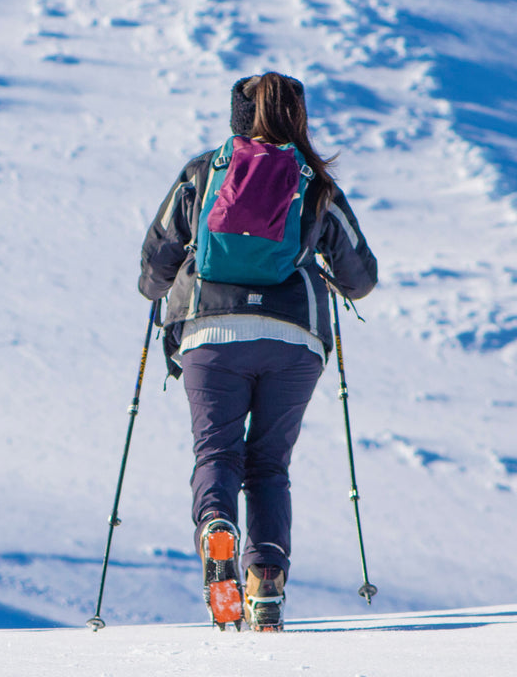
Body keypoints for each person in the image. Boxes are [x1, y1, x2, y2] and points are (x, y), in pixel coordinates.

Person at [138, 73, 377, 631]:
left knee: (216, 453)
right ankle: (264, 577)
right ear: (299, 117)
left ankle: (216, 526)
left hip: (209, 335)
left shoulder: (204, 172)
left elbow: (156, 262)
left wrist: (157, 292)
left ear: (237, 117)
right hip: (293, 342)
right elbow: (359, 277)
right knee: (269, 464)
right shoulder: (314, 184)